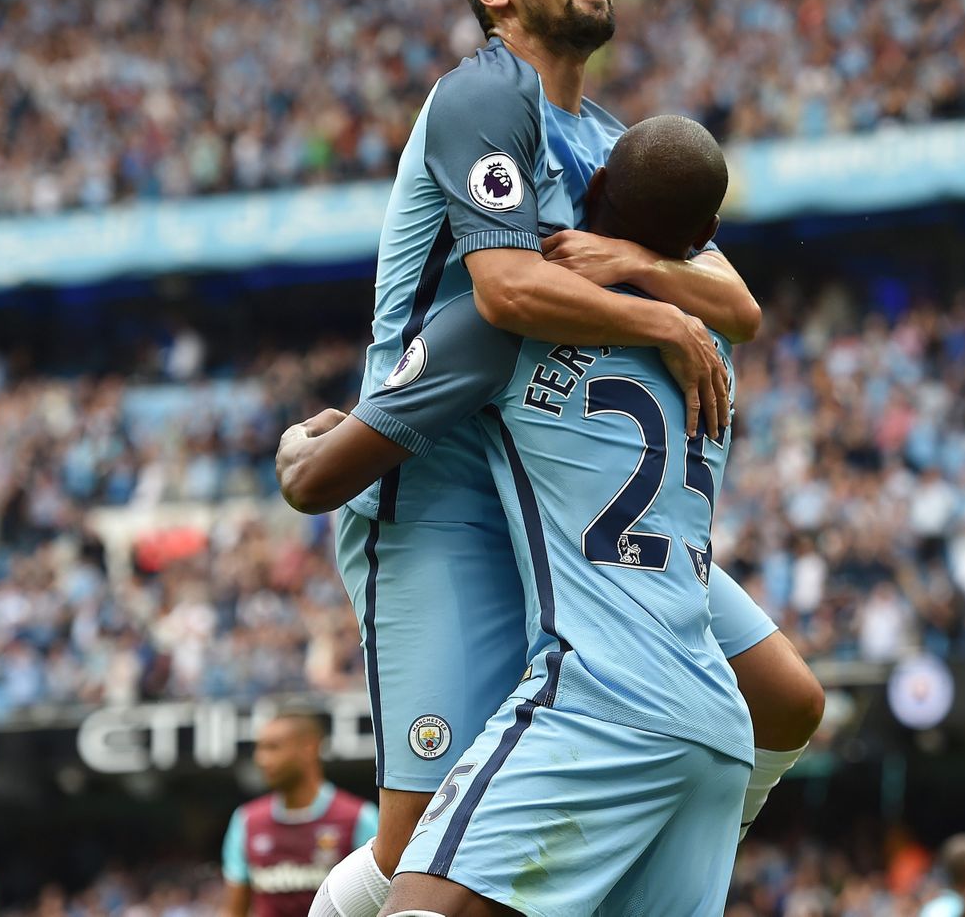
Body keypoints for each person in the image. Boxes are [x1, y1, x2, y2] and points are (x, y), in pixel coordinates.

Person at [284, 0, 820, 915]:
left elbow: (739, 305)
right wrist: (659, 317)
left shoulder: (613, 145)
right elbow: (506, 291)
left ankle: (615, 842)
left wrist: (637, 264)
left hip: (550, 461)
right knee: (415, 839)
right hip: (435, 470)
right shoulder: (484, 96)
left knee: (785, 701)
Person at [286, 113, 755, 914]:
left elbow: (316, 484)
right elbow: (741, 305)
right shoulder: (709, 339)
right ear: (707, 234)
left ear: (593, 188)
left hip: (599, 703)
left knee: (410, 901)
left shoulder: (512, 320)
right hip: (716, 730)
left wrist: (300, 439)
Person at [223, 712, 379, 917]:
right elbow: (234, 911)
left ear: (309, 748)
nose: (261, 759)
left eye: (273, 747)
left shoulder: (359, 817)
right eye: (259, 749)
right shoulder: (246, 820)